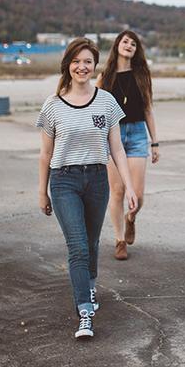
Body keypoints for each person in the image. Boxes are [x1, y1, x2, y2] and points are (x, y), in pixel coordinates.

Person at [37, 38, 138, 339]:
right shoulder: (53, 105)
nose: (82, 67)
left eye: (88, 62)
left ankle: (89, 286)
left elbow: (117, 149)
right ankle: (84, 312)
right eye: (76, 61)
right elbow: (45, 153)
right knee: (78, 246)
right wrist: (42, 191)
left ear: (95, 66)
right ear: (67, 65)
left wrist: (129, 186)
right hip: (63, 181)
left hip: (96, 179)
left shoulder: (106, 101)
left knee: (91, 243)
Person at [97, 30, 160, 261]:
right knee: (117, 191)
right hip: (112, 136)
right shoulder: (105, 77)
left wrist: (155, 142)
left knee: (138, 194)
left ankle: (130, 218)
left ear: (136, 50)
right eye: (125, 41)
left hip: (137, 136)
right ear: (117, 45)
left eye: (133, 43)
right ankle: (119, 240)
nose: (129, 45)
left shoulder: (142, 75)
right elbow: (97, 110)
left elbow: (148, 110)